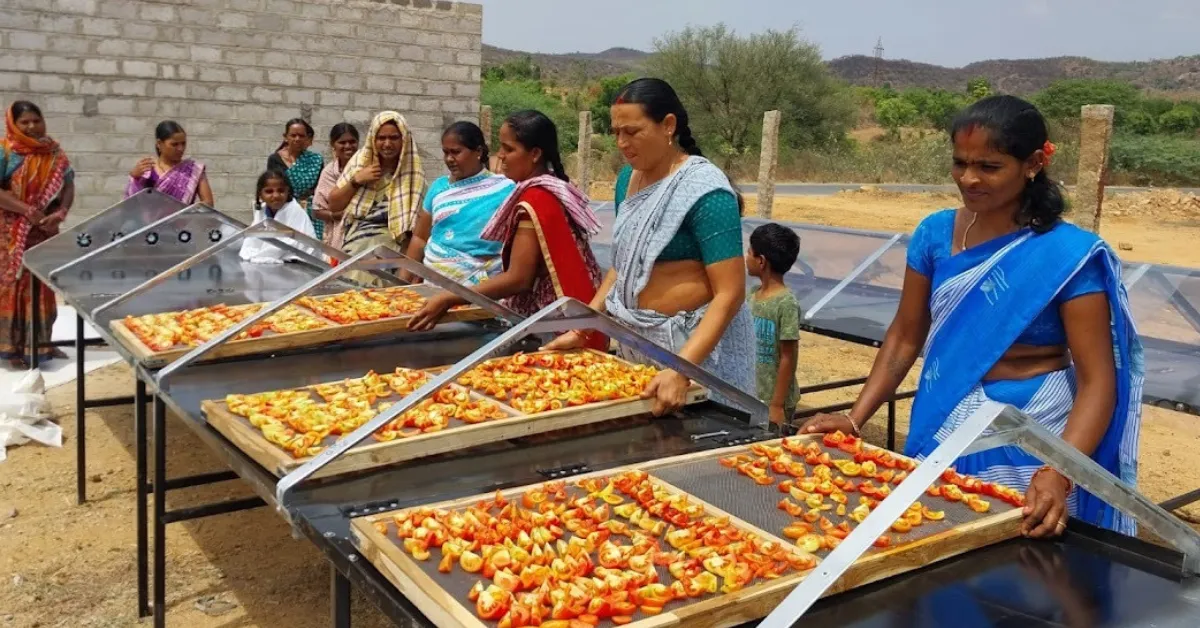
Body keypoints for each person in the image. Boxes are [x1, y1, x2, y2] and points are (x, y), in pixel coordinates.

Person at [799, 95, 1143, 539]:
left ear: (1034, 163)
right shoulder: (935, 234)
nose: (969, 178)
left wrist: (1060, 468)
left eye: (989, 166)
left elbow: (1098, 381)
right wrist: (855, 417)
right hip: (948, 416)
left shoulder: (1067, 255)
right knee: (936, 538)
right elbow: (905, 336)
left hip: (1036, 430)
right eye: (959, 163)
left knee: (1025, 563)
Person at [545, 78, 754, 417]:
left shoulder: (706, 192)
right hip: (638, 346)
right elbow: (623, 266)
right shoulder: (629, 180)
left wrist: (683, 369)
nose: (622, 143)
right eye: (616, 133)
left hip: (694, 353)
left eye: (632, 131)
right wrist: (584, 327)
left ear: (668, 125)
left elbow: (730, 293)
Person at [407, 110, 604, 342]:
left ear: (535, 154)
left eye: (509, 149)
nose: (500, 156)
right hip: (576, 316)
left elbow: (519, 278)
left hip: (556, 325)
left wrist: (450, 297)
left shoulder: (535, 200)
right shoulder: (549, 188)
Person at [0, 101, 74, 366]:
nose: (32, 126)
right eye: (25, 122)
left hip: (43, 230)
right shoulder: (5, 152)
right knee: (14, 289)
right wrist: (26, 210)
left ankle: (42, 344)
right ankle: (14, 349)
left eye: (36, 120)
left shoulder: (54, 153)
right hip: (10, 235)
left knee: (42, 287)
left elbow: (68, 185)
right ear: (14, 124)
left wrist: (60, 213)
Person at [406, 121, 515, 286]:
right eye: (445, 152)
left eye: (456, 152)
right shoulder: (439, 188)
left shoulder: (504, 188)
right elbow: (420, 238)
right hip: (435, 281)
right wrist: (402, 281)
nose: (449, 159)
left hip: (484, 286)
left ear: (478, 151)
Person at [326, 112, 425, 262]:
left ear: (404, 139)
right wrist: (357, 180)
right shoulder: (360, 163)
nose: (387, 144)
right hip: (355, 245)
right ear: (373, 139)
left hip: (393, 252)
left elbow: (415, 231)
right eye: (381, 138)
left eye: (394, 138)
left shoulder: (413, 174)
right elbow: (334, 205)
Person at [746, 223, 802, 427]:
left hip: (774, 400)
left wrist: (777, 405)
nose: (746, 257)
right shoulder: (751, 295)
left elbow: (789, 356)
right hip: (753, 394)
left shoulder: (786, 303)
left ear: (761, 261)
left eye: (749, 252)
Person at [124, 120, 214, 205]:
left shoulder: (194, 170)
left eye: (183, 143)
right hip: (151, 221)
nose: (180, 149)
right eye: (174, 144)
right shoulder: (147, 168)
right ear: (159, 144)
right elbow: (132, 204)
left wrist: (182, 211)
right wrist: (134, 177)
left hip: (181, 220)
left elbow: (208, 203)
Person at [239, 169, 318, 264]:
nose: (276, 195)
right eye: (269, 191)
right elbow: (252, 240)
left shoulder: (295, 211)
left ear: (288, 191)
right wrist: (254, 255)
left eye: (281, 191)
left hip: (299, 264)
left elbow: (289, 244)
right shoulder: (262, 211)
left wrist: (259, 256)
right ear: (260, 195)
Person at [266, 118, 324, 238]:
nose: (297, 139)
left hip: (310, 212)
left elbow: (319, 188)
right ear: (286, 137)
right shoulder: (275, 159)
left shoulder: (316, 160)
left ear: (307, 138)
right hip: (284, 210)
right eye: (293, 135)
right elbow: (274, 186)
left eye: (301, 136)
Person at [311, 122, 359, 248]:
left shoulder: (365, 169)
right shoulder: (330, 172)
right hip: (337, 235)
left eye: (352, 141)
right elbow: (317, 210)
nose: (348, 146)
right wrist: (334, 215)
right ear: (333, 145)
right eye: (342, 142)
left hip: (362, 232)